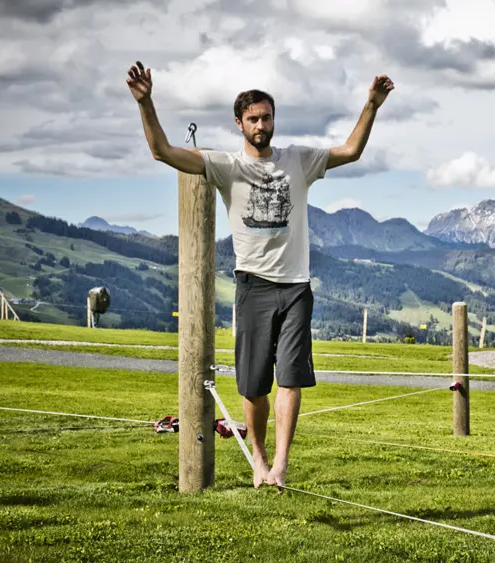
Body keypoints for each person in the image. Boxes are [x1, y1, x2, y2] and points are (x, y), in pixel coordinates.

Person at [126, 60, 395, 490]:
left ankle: (281, 464)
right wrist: (146, 102)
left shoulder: (298, 160)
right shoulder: (226, 166)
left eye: (267, 117)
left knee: (290, 378)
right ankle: (259, 457)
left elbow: (351, 151)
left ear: (274, 120)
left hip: (296, 288)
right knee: (253, 387)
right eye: (253, 119)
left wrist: (372, 105)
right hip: (253, 287)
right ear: (239, 123)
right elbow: (163, 152)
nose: (261, 125)